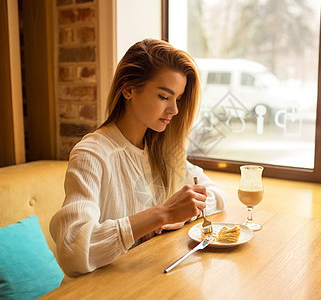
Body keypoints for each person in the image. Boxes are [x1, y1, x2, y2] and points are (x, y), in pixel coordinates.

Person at [49, 38, 226, 277]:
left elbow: (216, 195)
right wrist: (160, 214)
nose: (174, 110)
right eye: (164, 96)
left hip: (149, 279)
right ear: (128, 89)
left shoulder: (160, 150)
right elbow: (72, 250)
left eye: (179, 99)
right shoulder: (92, 153)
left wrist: (182, 215)